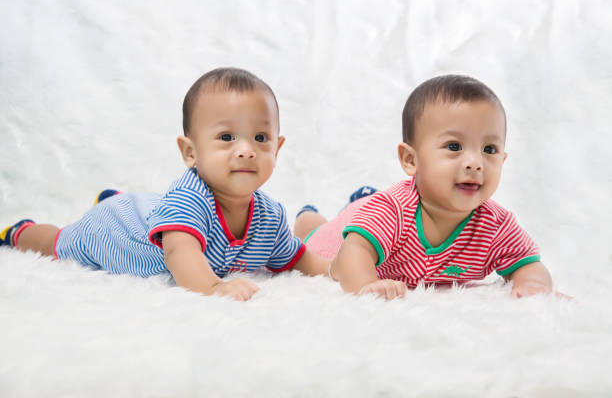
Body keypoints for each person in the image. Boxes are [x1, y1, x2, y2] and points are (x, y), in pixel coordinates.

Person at [1, 67, 329, 301]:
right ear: (190, 152)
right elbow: (179, 252)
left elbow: (297, 257)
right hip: (116, 229)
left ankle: (115, 198)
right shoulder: (191, 200)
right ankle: (21, 232)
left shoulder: (269, 216)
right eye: (226, 137)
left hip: (151, 210)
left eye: (260, 138)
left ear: (277, 147)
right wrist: (213, 288)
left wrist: (335, 270)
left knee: (155, 208)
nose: (245, 150)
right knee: (62, 242)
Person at [294, 74, 559, 300]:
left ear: (503, 159)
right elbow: (354, 252)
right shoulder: (393, 211)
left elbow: (527, 263)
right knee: (313, 239)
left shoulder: (496, 225)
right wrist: (365, 284)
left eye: (490, 149)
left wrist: (533, 284)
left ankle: (360, 199)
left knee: (364, 210)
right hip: (351, 229)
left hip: (371, 213)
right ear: (411, 160)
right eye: (454, 146)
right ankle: (308, 217)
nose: (476, 162)